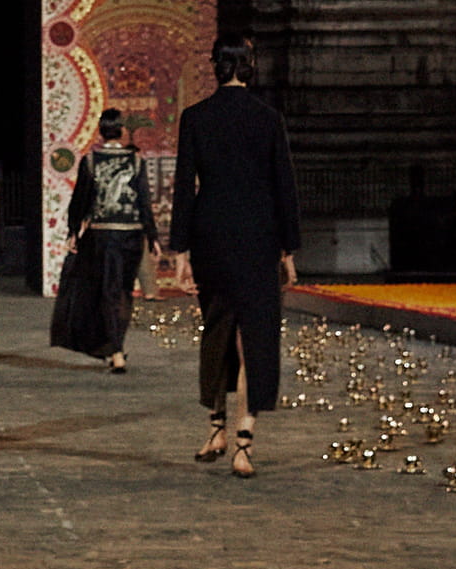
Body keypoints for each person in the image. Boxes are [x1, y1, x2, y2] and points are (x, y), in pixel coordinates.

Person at [169, 34, 301, 477]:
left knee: (218, 331)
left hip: (211, 236)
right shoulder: (268, 118)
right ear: (249, 65)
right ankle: (244, 441)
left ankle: (217, 428)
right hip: (259, 237)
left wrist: (181, 250)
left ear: (215, 66)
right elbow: (284, 187)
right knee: (255, 338)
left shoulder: (195, 117)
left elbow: (184, 186)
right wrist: (289, 250)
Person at [50, 107, 160, 371]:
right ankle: (116, 346)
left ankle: (115, 350)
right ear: (121, 131)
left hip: (102, 235)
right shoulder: (135, 161)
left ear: (101, 132)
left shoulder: (91, 160)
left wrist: (73, 231)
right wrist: (152, 235)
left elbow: (80, 200)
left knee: (106, 292)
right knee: (123, 292)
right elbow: (143, 201)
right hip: (131, 234)